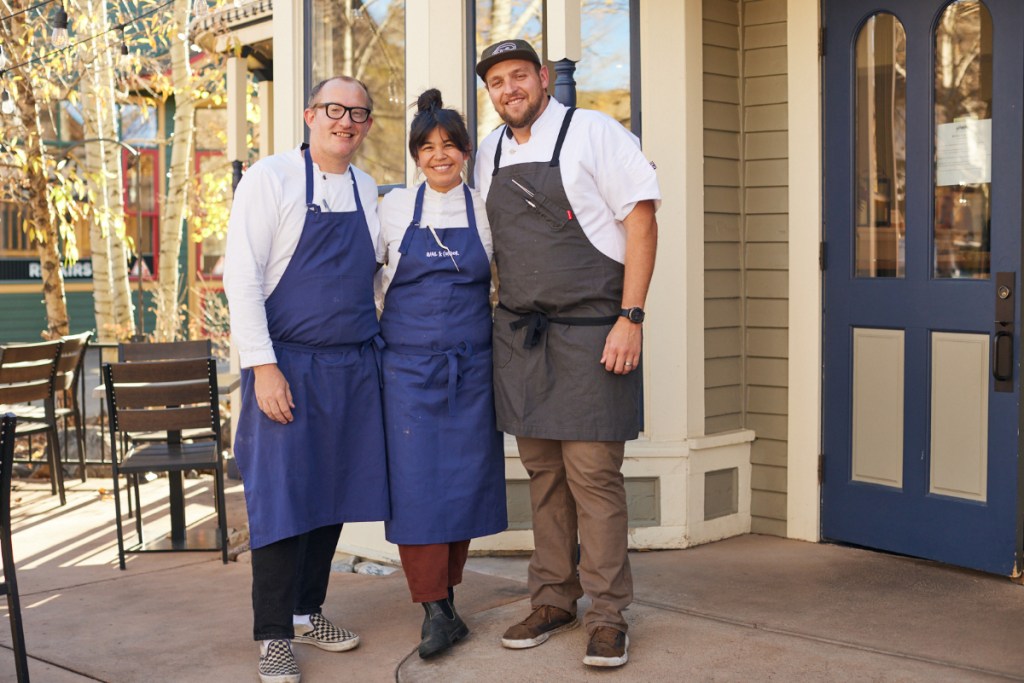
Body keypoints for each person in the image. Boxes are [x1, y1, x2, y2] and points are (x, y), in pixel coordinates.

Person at [473, 40, 660, 669]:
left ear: (543, 78)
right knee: (544, 476)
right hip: (523, 338)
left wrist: (630, 318)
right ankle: (553, 596)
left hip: (593, 333)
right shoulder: (490, 151)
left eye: (518, 76)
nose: (508, 89)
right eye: (496, 81)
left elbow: (641, 222)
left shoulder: (595, 133)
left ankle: (608, 614)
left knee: (594, 478)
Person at [224, 76, 389, 683]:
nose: (346, 121)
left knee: (332, 495)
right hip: (286, 364)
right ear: (310, 115)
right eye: (334, 110)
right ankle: (272, 636)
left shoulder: (368, 188)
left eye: (359, 113)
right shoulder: (270, 179)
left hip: (351, 367)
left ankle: (308, 610)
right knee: (281, 501)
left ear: (368, 125)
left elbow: (375, 280)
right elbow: (240, 279)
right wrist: (262, 366)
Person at [377, 88, 508, 659]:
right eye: (427, 147)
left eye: (449, 145)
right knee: (416, 489)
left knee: (460, 483)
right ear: (414, 155)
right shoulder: (394, 209)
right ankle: (432, 607)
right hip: (406, 372)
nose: (439, 155)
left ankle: (447, 602)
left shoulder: (486, 209)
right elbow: (368, 282)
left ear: (466, 151)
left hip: (471, 370)